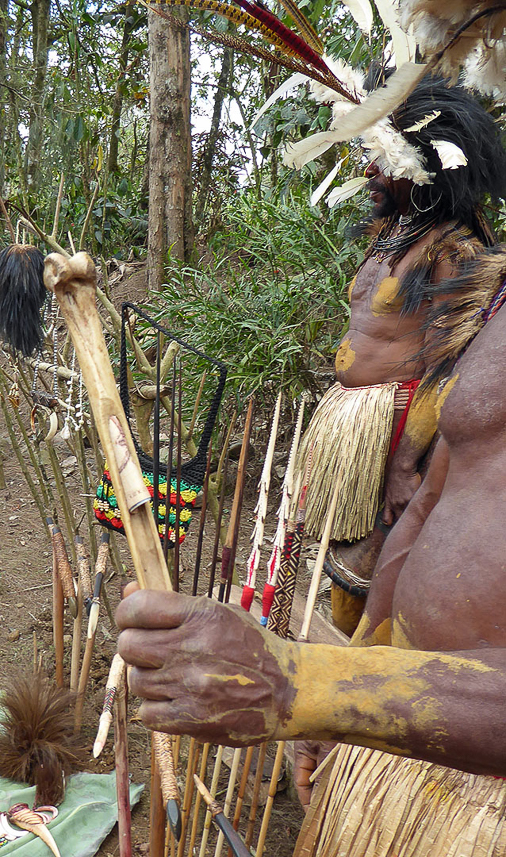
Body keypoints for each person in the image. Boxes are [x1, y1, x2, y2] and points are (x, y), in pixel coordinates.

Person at [116, 245, 506, 855]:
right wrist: (356, 677)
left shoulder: (450, 253)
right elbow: (432, 502)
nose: (373, 164)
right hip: (399, 768)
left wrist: (310, 684)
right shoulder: (496, 296)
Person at [290, 74, 506, 636]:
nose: (367, 171)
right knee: (339, 563)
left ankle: (360, 689)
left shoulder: (456, 247)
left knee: (367, 572)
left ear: (421, 165)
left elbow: (448, 367)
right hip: (355, 423)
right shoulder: (391, 230)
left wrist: (403, 461)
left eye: (380, 159)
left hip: (397, 428)